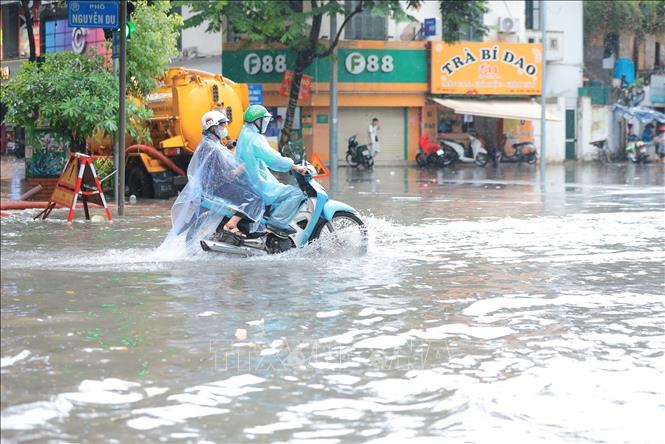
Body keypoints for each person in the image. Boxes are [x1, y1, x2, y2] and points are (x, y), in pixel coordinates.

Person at [162, 110, 265, 248]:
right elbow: (221, 175)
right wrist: (238, 170)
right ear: (213, 127)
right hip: (217, 188)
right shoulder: (212, 148)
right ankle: (231, 225)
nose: (224, 129)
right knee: (255, 197)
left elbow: (225, 160)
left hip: (211, 187)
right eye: (222, 126)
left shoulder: (209, 144)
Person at [234, 105, 308, 233]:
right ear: (257, 121)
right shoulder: (255, 139)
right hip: (259, 185)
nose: (266, 124)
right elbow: (274, 160)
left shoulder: (244, 134)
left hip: (250, 182)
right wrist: (293, 166)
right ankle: (276, 224)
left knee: (282, 191)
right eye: (264, 121)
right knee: (298, 193)